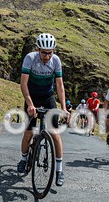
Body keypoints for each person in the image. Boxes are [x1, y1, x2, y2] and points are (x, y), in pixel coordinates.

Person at [16, 33, 69, 186]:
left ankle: (59, 170)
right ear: (38, 49)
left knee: (55, 134)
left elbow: (59, 86)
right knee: (29, 133)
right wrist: (30, 104)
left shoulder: (56, 61)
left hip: (47, 96)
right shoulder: (30, 58)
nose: (47, 56)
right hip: (32, 96)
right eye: (44, 52)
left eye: (50, 52)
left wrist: (64, 108)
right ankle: (24, 159)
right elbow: (23, 84)